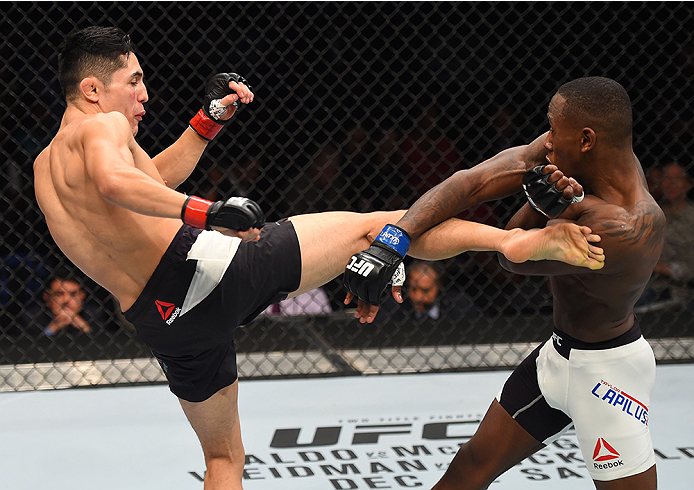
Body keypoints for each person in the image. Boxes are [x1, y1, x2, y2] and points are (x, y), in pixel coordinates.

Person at [34, 27, 604, 489]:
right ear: (92, 90)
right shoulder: (103, 128)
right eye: (133, 82)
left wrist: (206, 123)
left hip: (166, 322)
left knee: (224, 460)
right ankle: (512, 241)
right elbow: (117, 183)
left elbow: (147, 181)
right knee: (374, 229)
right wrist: (206, 212)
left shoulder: (44, 169)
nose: (143, 95)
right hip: (207, 270)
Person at [344, 76, 664, 488]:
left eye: (553, 128)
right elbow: (472, 181)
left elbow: (512, 262)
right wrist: (394, 240)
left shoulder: (630, 226)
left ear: (586, 139)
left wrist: (538, 208)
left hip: (608, 379)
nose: (546, 140)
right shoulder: (572, 158)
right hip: (556, 357)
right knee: (468, 469)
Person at [639, 162, 694, 309]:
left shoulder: (691, 218)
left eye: (677, 179)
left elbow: (690, 269)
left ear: (687, 184)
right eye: (666, 178)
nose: (671, 184)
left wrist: (660, 268)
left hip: (682, 291)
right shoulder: (650, 217)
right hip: (651, 288)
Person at [379, 260, 479, 321]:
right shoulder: (393, 306)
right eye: (413, 289)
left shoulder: (459, 304)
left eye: (425, 290)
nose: (418, 297)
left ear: (439, 284)